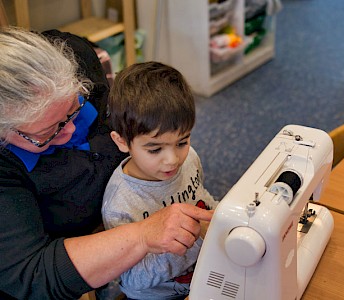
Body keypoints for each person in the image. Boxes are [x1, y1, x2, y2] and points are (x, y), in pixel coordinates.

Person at [0, 27, 213, 299]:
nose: (69, 132)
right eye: (46, 134)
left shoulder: (76, 56)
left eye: (72, 110)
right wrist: (143, 236)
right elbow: (32, 275)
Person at [102, 61, 218, 300]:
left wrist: (220, 217)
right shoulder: (120, 205)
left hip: (206, 270)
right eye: (155, 150)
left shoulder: (190, 158)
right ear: (122, 141)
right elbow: (133, 279)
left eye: (182, 142)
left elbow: (201, 196)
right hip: (159, 295)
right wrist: (196, 239)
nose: (172, 160)